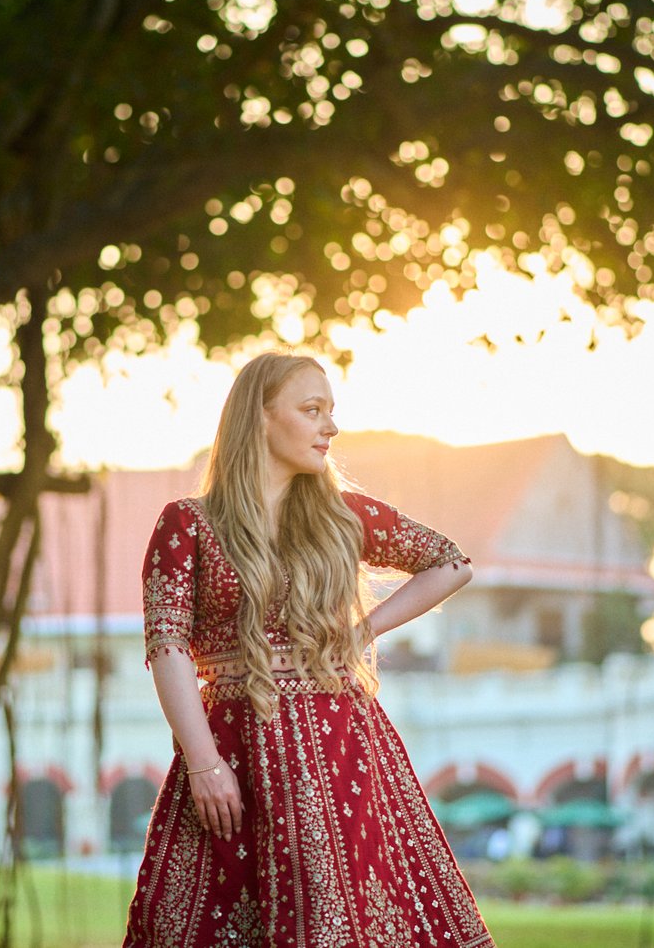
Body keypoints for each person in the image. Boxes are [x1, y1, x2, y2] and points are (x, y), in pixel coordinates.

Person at [121, 353, 496, 948]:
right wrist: (202, 762)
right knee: (192, 920)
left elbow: (449, 564)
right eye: (312, 410)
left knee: (342, 919)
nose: (331, 427)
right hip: (231, 750)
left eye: (331, 412)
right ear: (261, 416)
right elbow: (166, 646)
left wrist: (361, 632)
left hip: (339, 747)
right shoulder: (187, 524)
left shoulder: (340, 515)